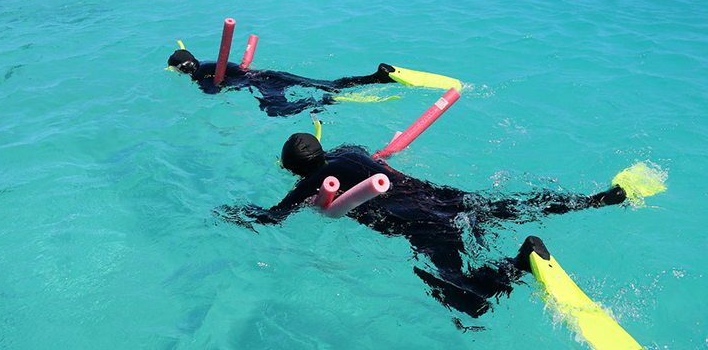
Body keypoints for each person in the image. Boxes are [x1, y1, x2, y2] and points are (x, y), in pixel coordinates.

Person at [217, 133, 627, 319]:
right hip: (442, 196)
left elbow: (272, 216)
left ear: (294, 170)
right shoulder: (352, 151)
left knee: (465, 298)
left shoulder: (310, 183)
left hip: (420, 223)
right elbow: (359, 152)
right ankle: (591, 200)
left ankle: (519, 263)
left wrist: (229, 215)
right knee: (506, 206)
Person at [168, 48, 397, 117]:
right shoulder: (209, 62)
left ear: (181, 69)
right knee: (328, 82)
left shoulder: (199, 76)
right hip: (268, 74)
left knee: (275, 110)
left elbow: (212, 92)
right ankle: (376, 77)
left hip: (262, 84)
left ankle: (322, 102)